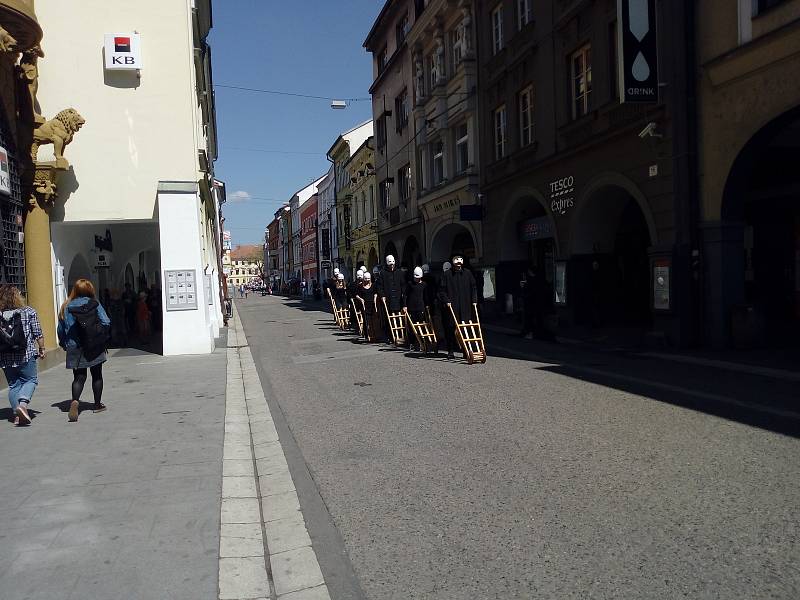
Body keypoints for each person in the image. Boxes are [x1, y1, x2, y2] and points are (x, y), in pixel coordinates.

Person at [58, 279, 111, 422]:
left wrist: (64, 343)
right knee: (97, 375)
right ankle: (98, 405)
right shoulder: (95, 303)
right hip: (94, 345)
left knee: (79, 377)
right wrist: (99, 334)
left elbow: (61, 329)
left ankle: (75, 401)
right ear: (89, 290)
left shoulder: (66, 306)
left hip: (75, 346)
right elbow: (106, 322)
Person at [0, 285, 45, 426]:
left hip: (5, 355)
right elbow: (38, 332)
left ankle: (17, 416)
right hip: (25, 354)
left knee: (14, 385)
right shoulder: (28, 311)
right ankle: (23, 406)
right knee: (30, 380)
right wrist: (42, 347)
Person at [438, 254, 477, 360]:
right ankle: (450, 350)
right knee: (451, 329)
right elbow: (442, 290)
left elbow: (473, 287)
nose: (458, 266)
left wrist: (474, 300)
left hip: (465, 307)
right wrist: (446, 300)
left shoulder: (468, 273)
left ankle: (465, 350)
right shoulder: (447, 275)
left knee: (465, 329)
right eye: (456, 264)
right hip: (452, 307)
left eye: (460, 263)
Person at [376, 254, 405, 345]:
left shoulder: (399, 272)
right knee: (388, 319)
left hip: (398, 299)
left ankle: (401, 336)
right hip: (388, 300)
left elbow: (403, 285)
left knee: (399, 318)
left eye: (392, 264)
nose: (391, 266)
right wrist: (382, 295)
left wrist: (403, 295)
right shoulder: (383, 273)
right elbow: (379, 286)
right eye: (390, 264)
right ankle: (390, 336)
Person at [404, 267, 429, 352]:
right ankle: (412, 343)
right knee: (412, 327)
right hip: (411, 308)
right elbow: (405, 295)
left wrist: (427, 305)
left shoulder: (424, 285)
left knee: (421, 326)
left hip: (420, 307)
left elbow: (426, 296)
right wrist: (405, 306)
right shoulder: (410, 284)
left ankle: (422, 342)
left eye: (418, 278)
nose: (416, 279)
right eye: (415, 277)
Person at [356, 272, 379, 342]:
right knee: (367, 320)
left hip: (372, 304)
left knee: (373, 320)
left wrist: (375, 297)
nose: (367, 280)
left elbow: (375, 293)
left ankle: (374, 334)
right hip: (364, 305)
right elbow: (357, 295)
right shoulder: (360, 286)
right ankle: (367, 334)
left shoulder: (373, 285)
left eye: (368, 279)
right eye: (366, 279)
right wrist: (361, 299)